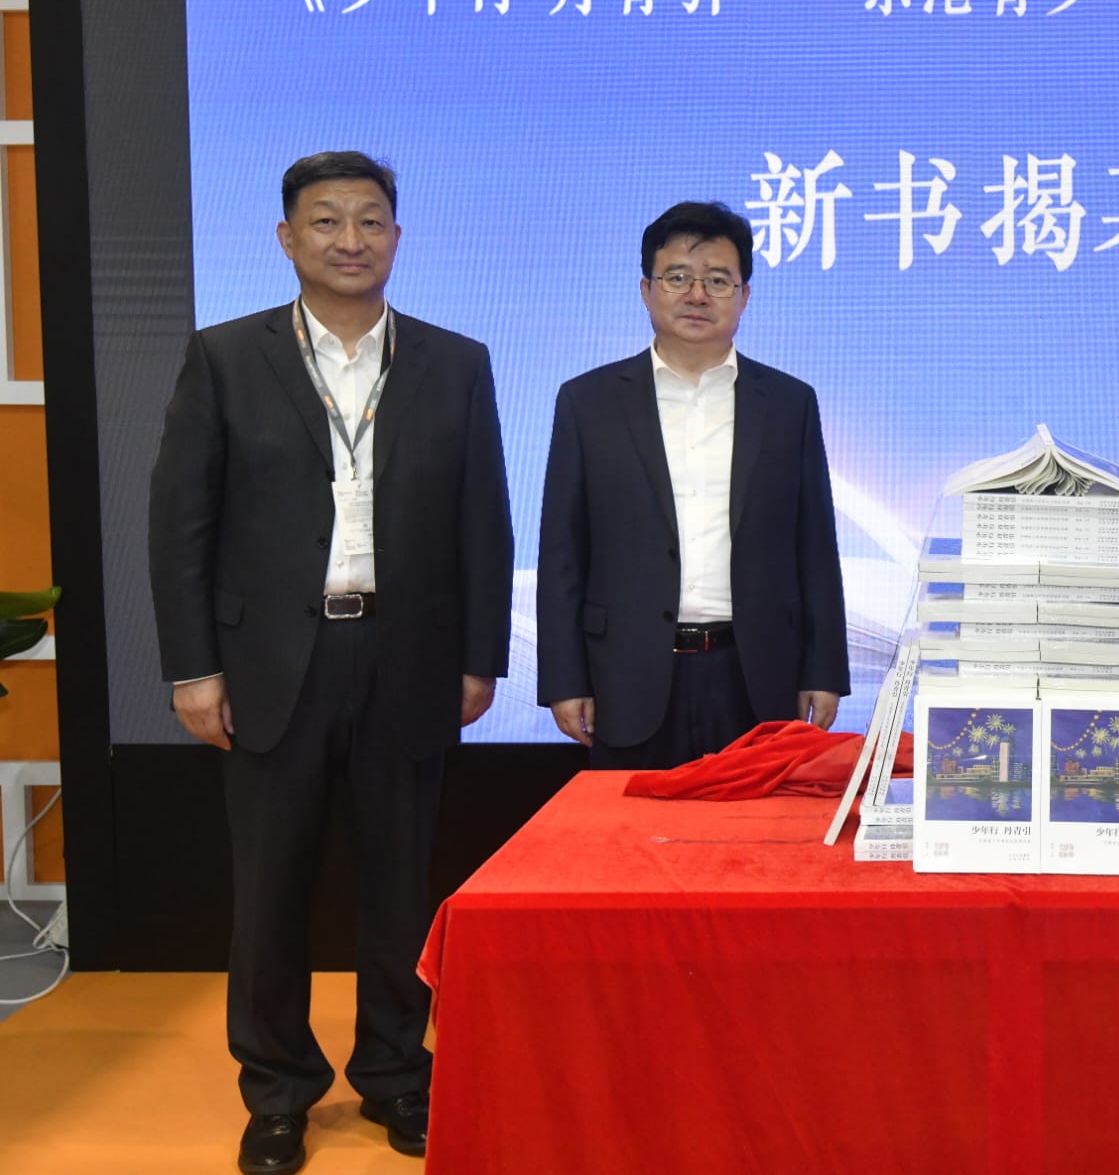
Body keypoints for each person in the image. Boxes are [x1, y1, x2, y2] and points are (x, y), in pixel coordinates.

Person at [148, 152, 513, 1174]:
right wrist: (192, 666)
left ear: (397, 236)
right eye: (326, 220)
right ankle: (276, 1093)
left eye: (369, 220)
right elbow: (180, 524)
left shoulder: (455, 361)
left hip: (407, 656)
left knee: (400, 887)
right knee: (270, 893)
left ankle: (396, 1075)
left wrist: (479, 656)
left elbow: (483, 520)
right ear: (286, 238)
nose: (350, 239)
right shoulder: (226, 357)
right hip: (272, 664)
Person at [536, 199, 848, 768]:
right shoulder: (588, 401)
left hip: (755, 676)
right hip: (626, 674)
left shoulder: (788, 404)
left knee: (752, 824)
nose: (697, 295)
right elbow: (563, 552)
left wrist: (824, 669)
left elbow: (816, 548)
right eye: (677, 277)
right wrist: (563, 678)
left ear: (745, 296)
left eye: (718, 281)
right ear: (646, 290)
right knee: (633, 825)